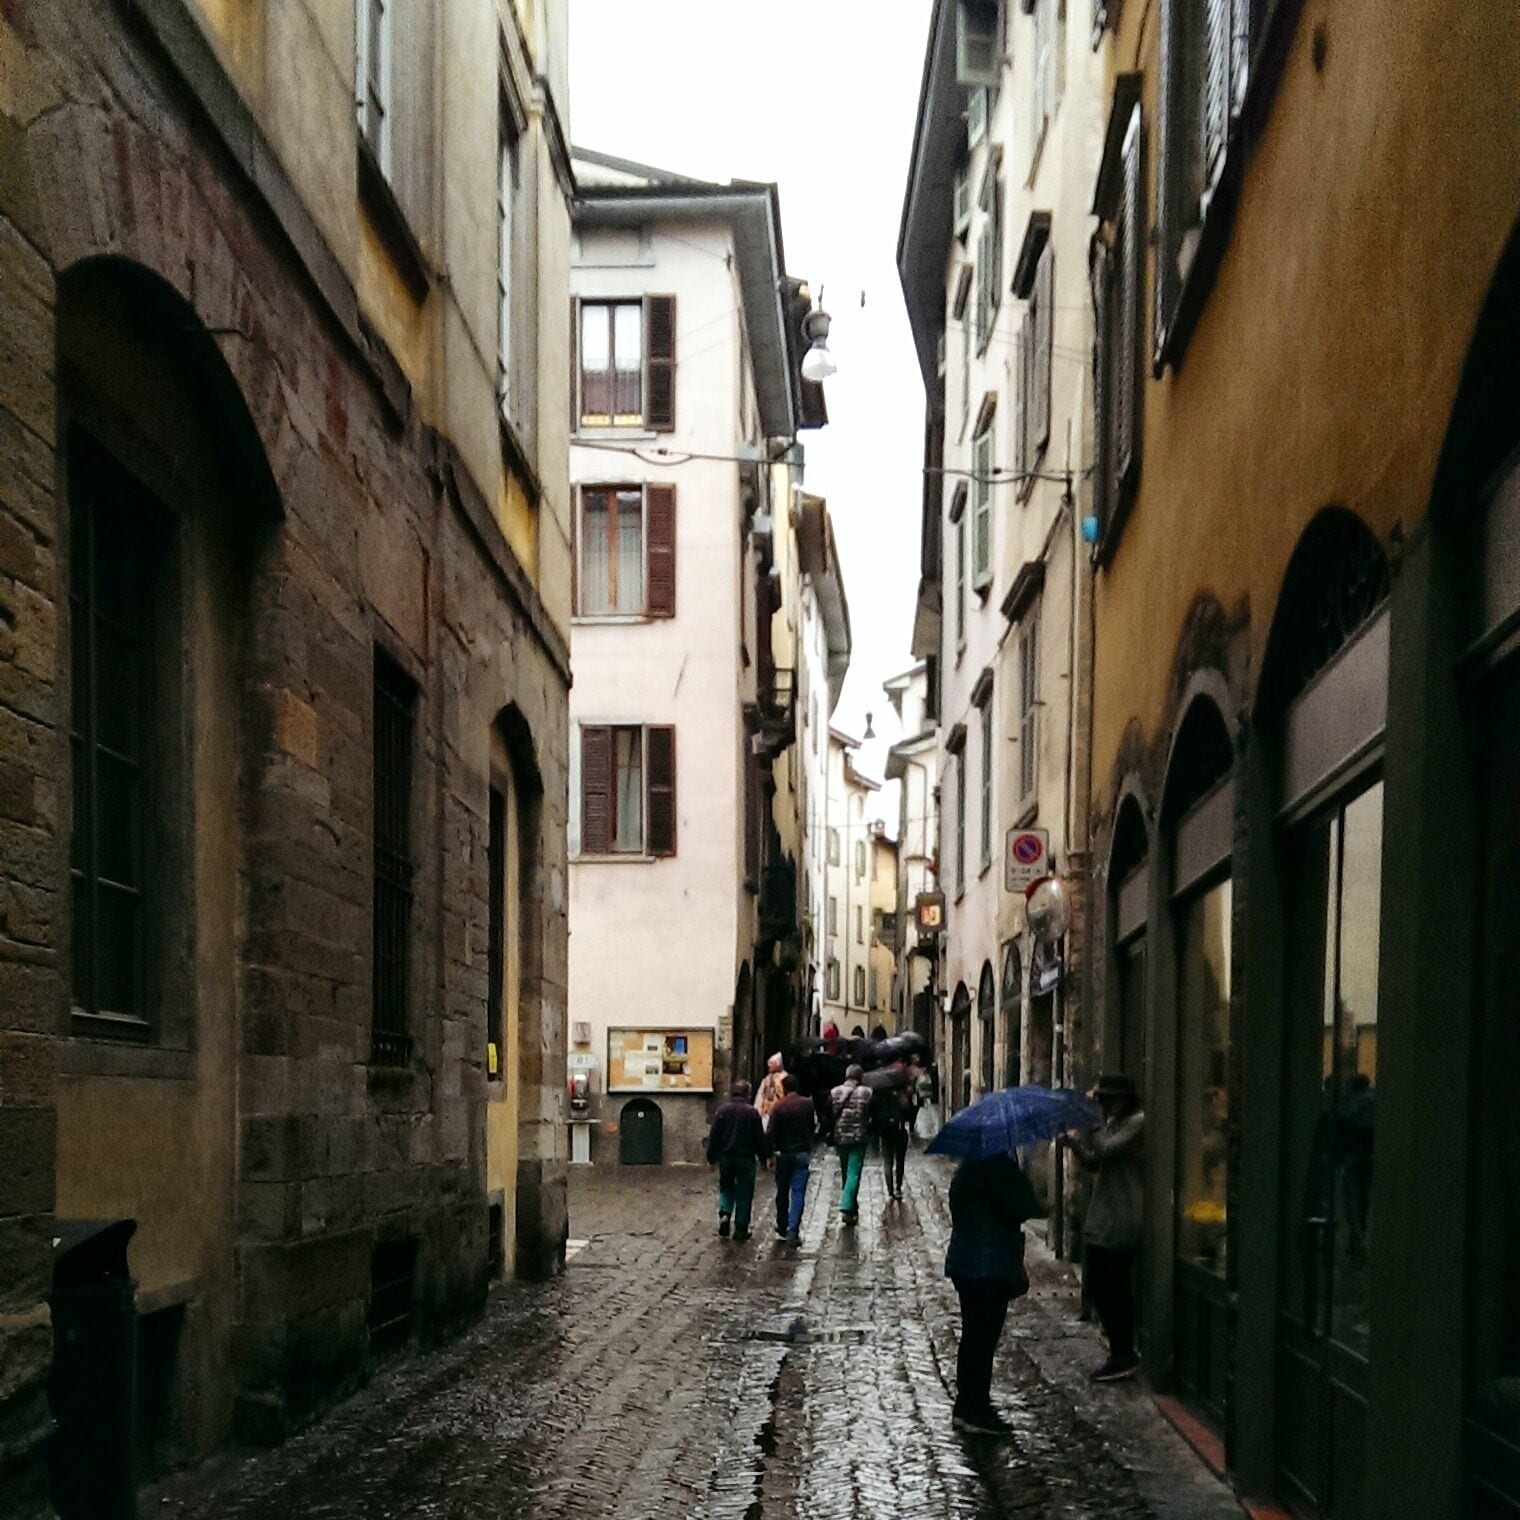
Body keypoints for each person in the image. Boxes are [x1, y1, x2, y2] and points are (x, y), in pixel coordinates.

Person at [944, 1149, 1044, 1435]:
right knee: (984, 1339)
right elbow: (1026, 1207)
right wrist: (1022, 1176)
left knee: (972, 1336)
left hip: (964, 1263)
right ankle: (976, 1409)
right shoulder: (1000, 1170)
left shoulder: (966, 1169)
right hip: (990, 1265)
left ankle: (966, 1405)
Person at [1063, 1073, 1145, 1381]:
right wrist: (1075, 1146)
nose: (1103, 1105)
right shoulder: (1113, 1124)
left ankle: (1123, 1352)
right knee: (1100, 1286)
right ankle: (1119, 1349)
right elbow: (1097, 1162)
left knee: (1114, 1288)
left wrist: (1091, 1126)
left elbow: (1108, 1150)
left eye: (1107, 1100)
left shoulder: (1137, 1124)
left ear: (1123, 1099)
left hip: (1123, 1216)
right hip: (1105, 1216)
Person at [705, 1080, 769, 1242]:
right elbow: (759, 1138)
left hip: (726, 1157)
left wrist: (711, 1158)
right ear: (747, 1094)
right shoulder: (752, 1113)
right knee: (744, 1192)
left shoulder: (722, 1110)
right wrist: (764, 1159)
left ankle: (725, 1213)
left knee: (726, 1187)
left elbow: (714, 1136)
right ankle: (741, 1228)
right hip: (746, 1158)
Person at [767, 1074, 817, 1244]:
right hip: (802, 1153)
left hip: (783, 1154)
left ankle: (782, 1224)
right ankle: (793, 1230)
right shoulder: (808, 1104)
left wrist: (769, 1154)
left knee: (782, 1191)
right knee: (798, 1192)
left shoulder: (778, 1106)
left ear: (784, 1088)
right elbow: (812, 1127)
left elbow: (771, 1133)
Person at [829, 1064, 873, 1224]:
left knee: (845, 1171)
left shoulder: (835, 1092)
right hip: (858, 1137)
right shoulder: (866, 1093)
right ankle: (847, 1205)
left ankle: (851, 1208)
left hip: (840, 1136)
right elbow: (871, 1113)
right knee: (853, 1172)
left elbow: (828, 1113)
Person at [871, 1058, 913, 1201]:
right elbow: (909, 1115)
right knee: (900, 1161)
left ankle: (890, 1191)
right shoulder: (902, 1095)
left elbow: (873, 1114)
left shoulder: (878, 1095)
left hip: (885, 1132)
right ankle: (898, 1188)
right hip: (899, 1130)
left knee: (887, 1161)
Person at [755, 1053, 787, 1130]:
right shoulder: (766, 1079)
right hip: (766, 1112)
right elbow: (761, 1094)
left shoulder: (785, 1077)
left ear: (777, 1064)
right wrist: (757, 1108)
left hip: (780, 1110)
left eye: (771, 1064)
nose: (769, 1067)